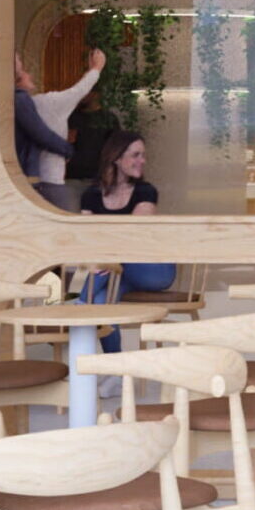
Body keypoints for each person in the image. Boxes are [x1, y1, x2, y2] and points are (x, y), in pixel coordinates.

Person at [76, 130, 173, 347]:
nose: (142, 161)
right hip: (116, 272)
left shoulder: (145, 192)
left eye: (143, 155)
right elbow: (87, 241)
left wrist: (101, 256)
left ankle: (77, 301)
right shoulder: (91, 195)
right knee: (101, 302)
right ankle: (114, 365)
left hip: (151, 269)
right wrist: (98, 257)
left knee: (106, 260)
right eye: (136, 155)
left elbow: (132, 238)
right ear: (116, 158)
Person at [14, 48, 104, 210]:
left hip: (32, 179)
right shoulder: (47, 103)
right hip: (51, 181)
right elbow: (78, 91)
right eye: (24, 72)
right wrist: (97, 68)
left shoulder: (27, 105)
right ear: (17, 82)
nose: (30, 75)